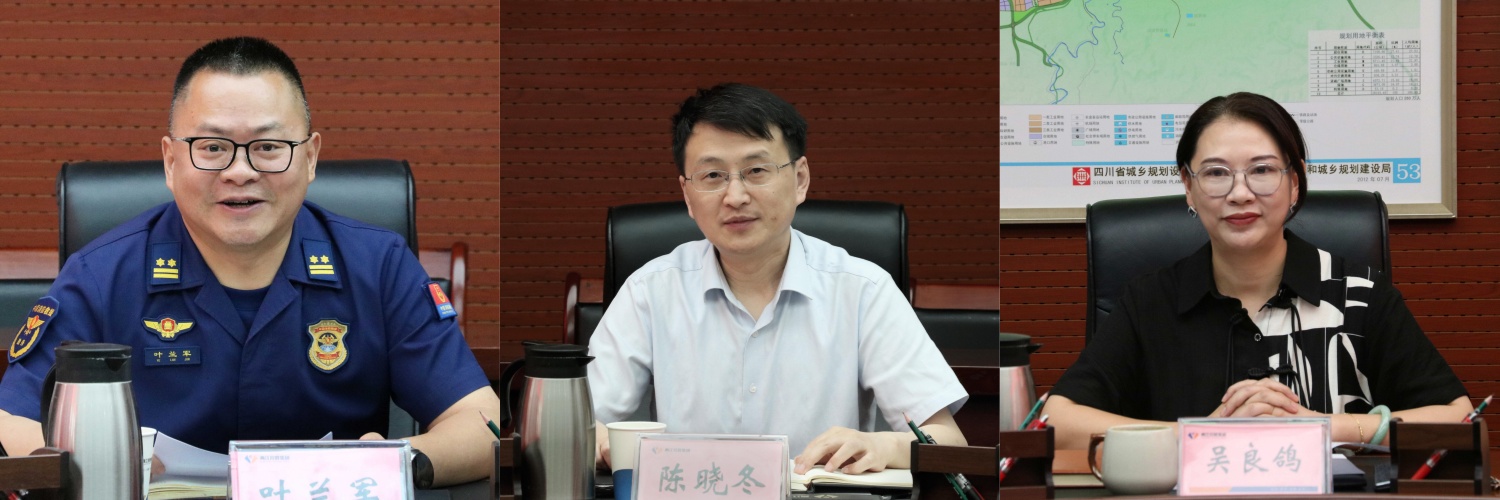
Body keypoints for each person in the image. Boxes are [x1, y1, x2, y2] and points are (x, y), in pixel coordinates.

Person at [0, 37, 499, 487]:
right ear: (170, 161)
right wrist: (108, 465)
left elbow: (483, 422)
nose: (240, 171)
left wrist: (398, 463)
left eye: (268, 147)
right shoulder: (102, 276)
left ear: (310, 158)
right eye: (212, 147)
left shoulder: (378, 266)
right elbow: (9, 426)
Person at [1044, 92, 1472, 449]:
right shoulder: (1150, 302)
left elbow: (1459, 420)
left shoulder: (1359, 294)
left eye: (1262, 170)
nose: (1240, 193)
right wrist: (1202, 434)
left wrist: (1323, 428)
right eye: (1216, 173)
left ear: (1295, 182)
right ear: (1188, 187)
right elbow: (1056, 420)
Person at [586, 83, 969, 475]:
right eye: (713, 175)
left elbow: (949, 441)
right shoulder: (649, 292)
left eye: (756, 171)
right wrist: (603, 444)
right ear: (687, 195)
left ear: (800, 179)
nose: (735, 196)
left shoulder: (863, 291)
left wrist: (881, 444)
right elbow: (582, 423)